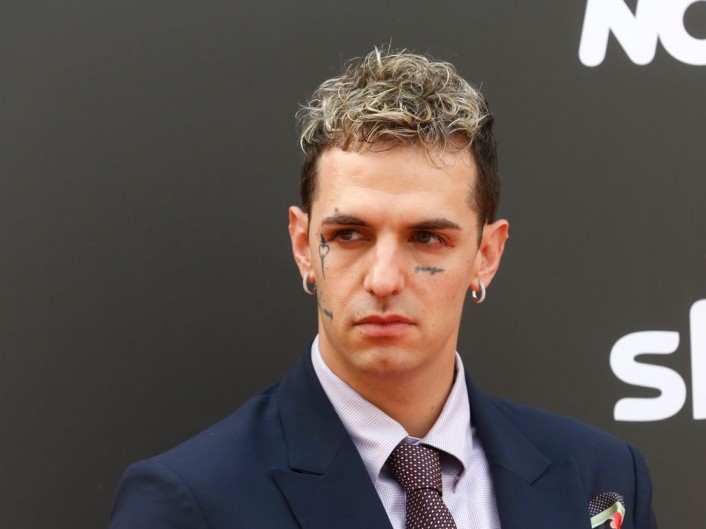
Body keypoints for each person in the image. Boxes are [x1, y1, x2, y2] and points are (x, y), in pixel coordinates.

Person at [108, 48, 657, 529]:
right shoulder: (189, 502)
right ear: (302, 245)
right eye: (349, 235)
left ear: (486, 256)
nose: (384, 279)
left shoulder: (601, 478)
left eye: (428, 238)